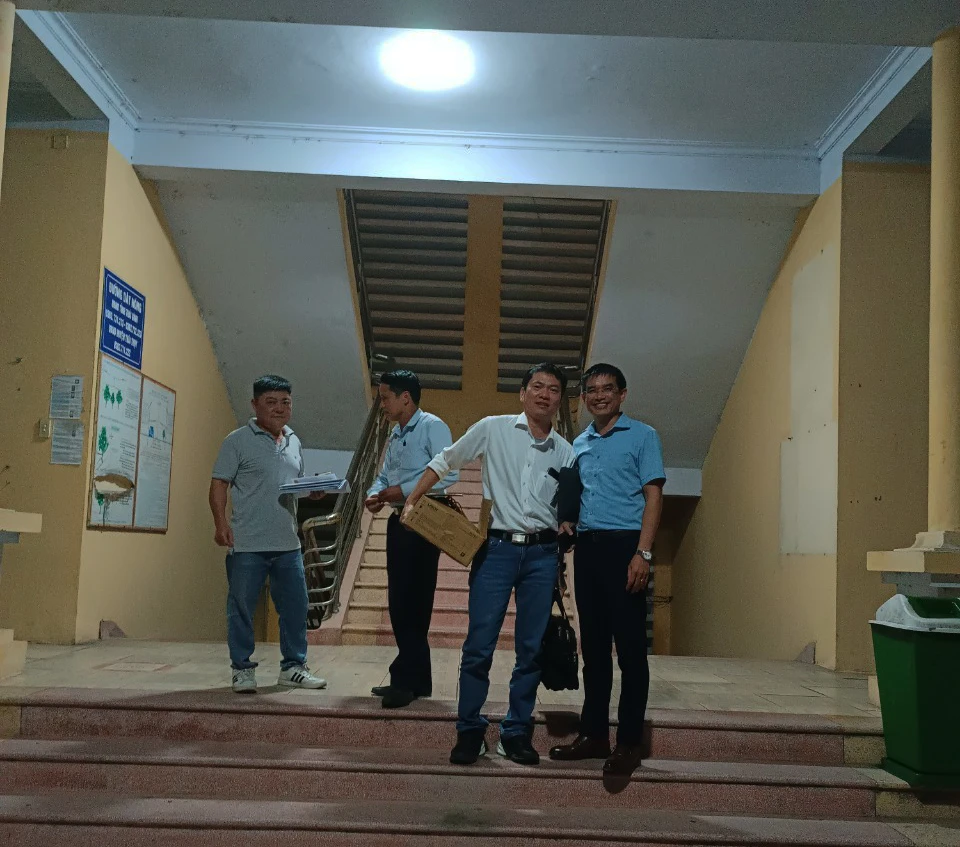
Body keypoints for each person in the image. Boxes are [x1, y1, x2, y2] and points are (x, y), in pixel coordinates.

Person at [403, 363, 575, 767]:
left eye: (553, 389)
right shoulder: (493, 428)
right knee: (479, 646)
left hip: (542, 555)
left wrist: (564, 546)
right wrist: (413, 500)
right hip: (496, 550)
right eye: (537, 386)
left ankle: (516, 732)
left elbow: (565, 508)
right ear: (523, 393)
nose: (544, 394)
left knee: (530, 649)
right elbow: (445, 460)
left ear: (560, 399)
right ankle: (469, 730)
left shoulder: (566, 451)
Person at [550, 363, 665, 776]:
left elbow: (653, 498)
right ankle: (594, 734)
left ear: (622, 394)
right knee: (594, 650)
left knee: (631, 652)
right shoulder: (579, 442)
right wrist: (568, 520)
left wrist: (643, 554)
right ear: (584, 398)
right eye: (592, 390)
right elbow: (578, 495)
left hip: (625, 548)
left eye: (608, 389)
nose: (600, 396)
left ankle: (629, 743)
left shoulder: (643, 436)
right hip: (588, 550)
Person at [209, 374, 327, 694]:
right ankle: (242, 670)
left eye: (285, 402)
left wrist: (312, 491)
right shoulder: (236, 441)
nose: (279, 408)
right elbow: (219, 483)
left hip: (287, 543)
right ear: (255, 404)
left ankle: (293, 668)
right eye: (271, 402)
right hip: (247, 543)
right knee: (241, 609)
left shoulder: (294, 440)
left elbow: (292, 486)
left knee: (295, 608)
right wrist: (221, 524)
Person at [364, 369, 458, 709]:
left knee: (414, 601)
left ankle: (406, 681)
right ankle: (414, 678)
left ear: (406, 398)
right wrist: (376, 493)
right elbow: (384, 475)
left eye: (385, 398)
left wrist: (402, 491)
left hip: (425, 520)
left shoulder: (433, 426)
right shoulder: (396, 433)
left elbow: (450, 473)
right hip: (398, 520)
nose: (382, 405)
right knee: (400, 602)